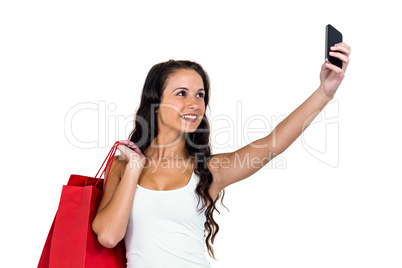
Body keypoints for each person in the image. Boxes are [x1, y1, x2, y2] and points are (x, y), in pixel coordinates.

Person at [92, 42, 351, 268]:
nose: (194, 103)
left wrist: (324, 93)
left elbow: (273, 145)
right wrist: (135, 168)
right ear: (155, 101)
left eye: (200, 95)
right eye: (181, 93)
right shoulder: (123, 165)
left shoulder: (210, 170)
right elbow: (108, 236)